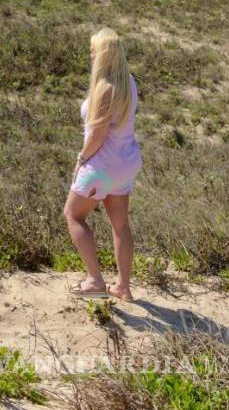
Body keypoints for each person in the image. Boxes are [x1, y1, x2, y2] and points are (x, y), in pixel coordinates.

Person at [63, 28, 142, 302]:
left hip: (102, 166)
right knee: (120, 225)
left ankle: (95, 281)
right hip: (125, 163)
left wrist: (80, 160)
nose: (90, 54)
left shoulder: (105, 88)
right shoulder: (129, 82)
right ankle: (123, 287)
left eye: (93, 50)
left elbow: (96, 135)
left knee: (73, 215)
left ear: (103, 54)